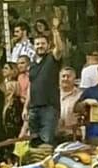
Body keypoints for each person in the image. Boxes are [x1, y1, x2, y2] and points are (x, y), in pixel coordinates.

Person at [23, 16, 64, 147]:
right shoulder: (32, 65)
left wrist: (55, 30)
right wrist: (26, 107)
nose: (40, 46)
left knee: (47, 141)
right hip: (34, 108)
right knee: (34, 142)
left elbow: (60, 49)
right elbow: (31, 86)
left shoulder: (52, 59)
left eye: (43, 44)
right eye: (37, 44)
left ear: (48, 45)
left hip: (49, 107)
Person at [58, 67, 82, 141]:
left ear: (74, 79)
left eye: (69, 76)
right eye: (63, 76)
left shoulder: (81, 95)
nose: (65, 79)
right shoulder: (52, 94)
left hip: (73, 135)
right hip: (54, 134)